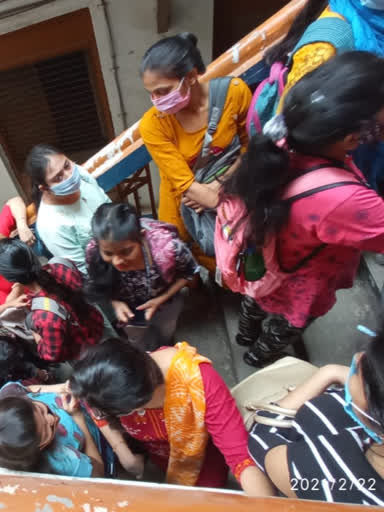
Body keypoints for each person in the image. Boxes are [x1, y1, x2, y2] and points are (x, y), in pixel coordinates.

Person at [224, 52, 384, 367]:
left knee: (255, 301)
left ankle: (246, 335)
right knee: (287, 324)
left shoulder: (280, 137)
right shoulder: (345, 199)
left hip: (262, 259)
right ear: (353, 137)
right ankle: (259, 356)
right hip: (303, 281)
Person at [68, 339, 273, 494]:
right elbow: (93, 404)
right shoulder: (102, 382)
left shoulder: (198, 383)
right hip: (160, 458)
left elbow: (241, 459)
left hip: (201, 461)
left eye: (121, 412)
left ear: (141, 400)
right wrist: (122, 451)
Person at [139, 33, 252, 271]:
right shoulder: (153, 125)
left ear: (190, 77)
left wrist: (220, 185)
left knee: (237, 246)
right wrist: (213, 196)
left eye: (162, 91)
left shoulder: (234, 93)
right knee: (182, 249)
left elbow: (251, 148)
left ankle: (240, 284)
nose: (156, 101)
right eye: (151, 93)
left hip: (234, 184)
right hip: (182, 198)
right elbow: (188, 187)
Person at [248, 329, 384, 505]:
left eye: (363, 370)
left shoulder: (327, 478)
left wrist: (328, 373)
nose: (358, 357)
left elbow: (261, 437)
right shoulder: (374, 422)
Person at [85, 203, 198, 348]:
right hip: (128, 309)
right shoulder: (93, 252)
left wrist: (159, 300)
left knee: (165, 332)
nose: (117, 262)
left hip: (166, 303)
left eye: (126, 252)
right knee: (136, 337)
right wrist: (115, 302)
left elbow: (189, 272)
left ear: (142, 236)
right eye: (108, 254)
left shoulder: (169, 249)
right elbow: (98, 282)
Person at [0, 378, 108, 477]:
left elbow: (26, 389)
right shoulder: (63, 461)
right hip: (99, 433)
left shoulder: (8, 393)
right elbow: (99, 472)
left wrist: (60, 388)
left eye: (41, 410)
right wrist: (78, 417)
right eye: (47, 430)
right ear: (38, 448)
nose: (53, 418)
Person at [0, 238, 103, 363]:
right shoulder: (61, 264)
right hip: (97, 326)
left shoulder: (45, 316)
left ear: (9, 278)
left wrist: (36, 335)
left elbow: (52, 355)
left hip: (83, 354)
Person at [24, 145, 111, 274]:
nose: (69, 176)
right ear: (44, 188)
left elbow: (108, 204)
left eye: (66, 165)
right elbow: (84, 270)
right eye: (58, 178)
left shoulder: (80, 174)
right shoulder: (51, 225)